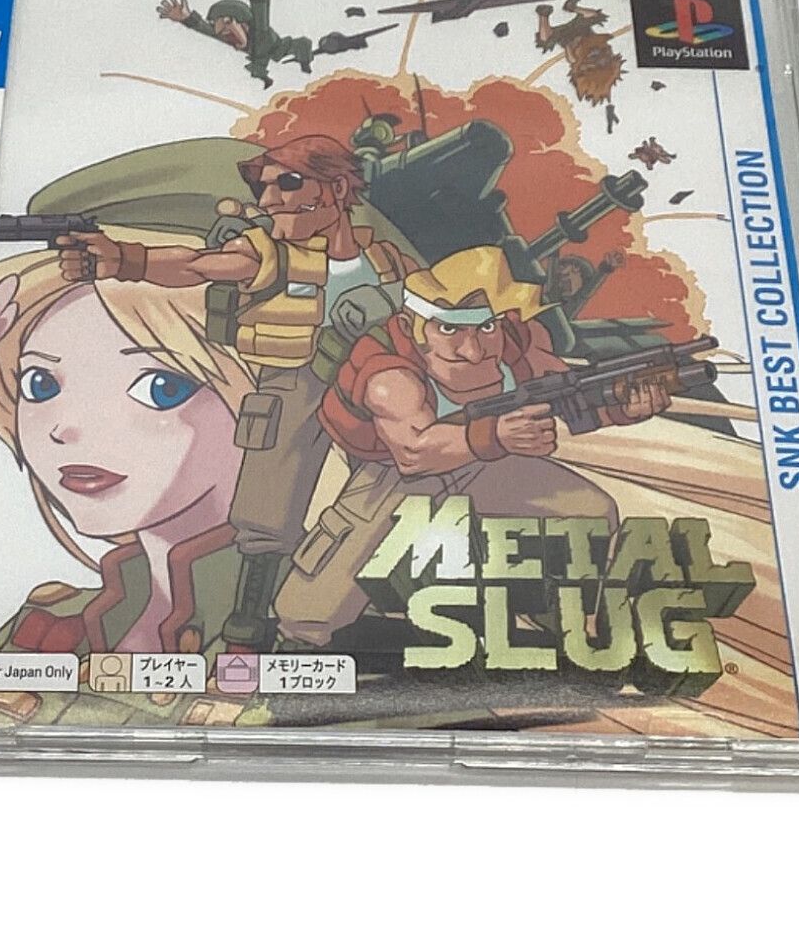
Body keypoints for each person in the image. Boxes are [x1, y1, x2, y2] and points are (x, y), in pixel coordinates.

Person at [56, 134, 413, 649]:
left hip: (374, 386)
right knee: (267, 509)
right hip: (295, 381)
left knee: (391, 488)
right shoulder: (266, 252)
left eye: (288, 183)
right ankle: (248, 624)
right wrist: (126, 261)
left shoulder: (382, 258)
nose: (270, 200)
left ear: (336, 188)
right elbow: (197, 265)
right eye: (262, 188)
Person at [276, 245, 668, 649]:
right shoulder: (388, 372)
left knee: (591, 512)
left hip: (487, 459)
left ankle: (567, 616)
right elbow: (414, 452)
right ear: (415, 325)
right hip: (398, 474)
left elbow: (567, 392)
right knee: (314, 602)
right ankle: (298, 643)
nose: (473, 349)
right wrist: (497, 436)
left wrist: (621, 407)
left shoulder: (515, 341)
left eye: (485, 327)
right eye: (450, 329)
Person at [0, 227, 256, 726]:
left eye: (160, 388)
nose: (66, 429)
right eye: (39, 384)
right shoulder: (56, 616)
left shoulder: (310, 627)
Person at [156, 0, 314, 87]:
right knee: (258, 69)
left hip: (274, 47)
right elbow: (207, 30)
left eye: (228, 23)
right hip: (257, 56)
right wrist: (186, 18)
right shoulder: (227, 35)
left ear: (244, 25)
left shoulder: (259, 32)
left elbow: (261, 17)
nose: (224, 30)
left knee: (302, 46)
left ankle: (305, 64)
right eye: (219, 25)